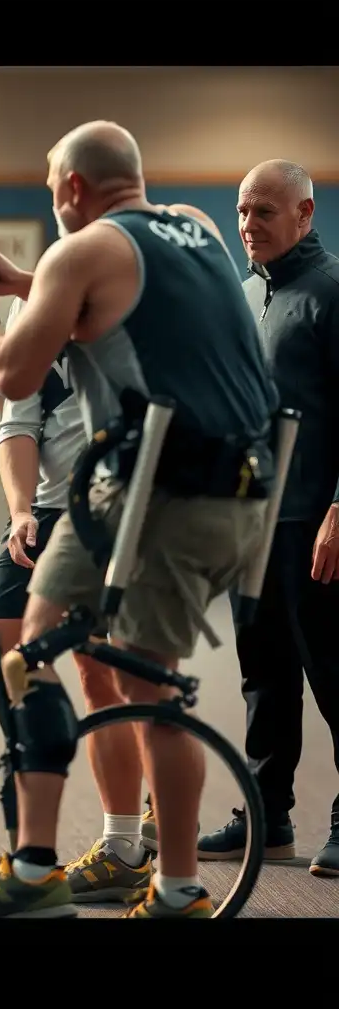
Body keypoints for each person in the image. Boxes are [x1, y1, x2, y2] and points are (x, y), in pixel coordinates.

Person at [0, 120, 278, 920]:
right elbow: (121, 300)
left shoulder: (77, 252)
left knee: (152, 691)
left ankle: (177, 891)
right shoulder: (199, 229)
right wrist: (24, 284)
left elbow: (14, 369)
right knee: (33, 636)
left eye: (54, 193)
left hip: (168, 499)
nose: (55, 208)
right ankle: (36, 868)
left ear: (73, 189)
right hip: (221, 493)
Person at [0, 296, 153, 904]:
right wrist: (21, 511)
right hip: (50, 507)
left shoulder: (132, 299)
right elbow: (17, 425)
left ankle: (123, 844)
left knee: (100, 666)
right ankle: (33, 802)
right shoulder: (34, 308)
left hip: (115, 501)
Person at [196, 160, 339, 879]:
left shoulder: (332, 292)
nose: (248, 225)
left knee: (333, 673)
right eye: (242, 211)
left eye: (265, 212)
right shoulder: (245, 295)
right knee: (265, 675)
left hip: (318, 525)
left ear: (306, 214)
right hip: (250, 521)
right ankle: (268, 814)